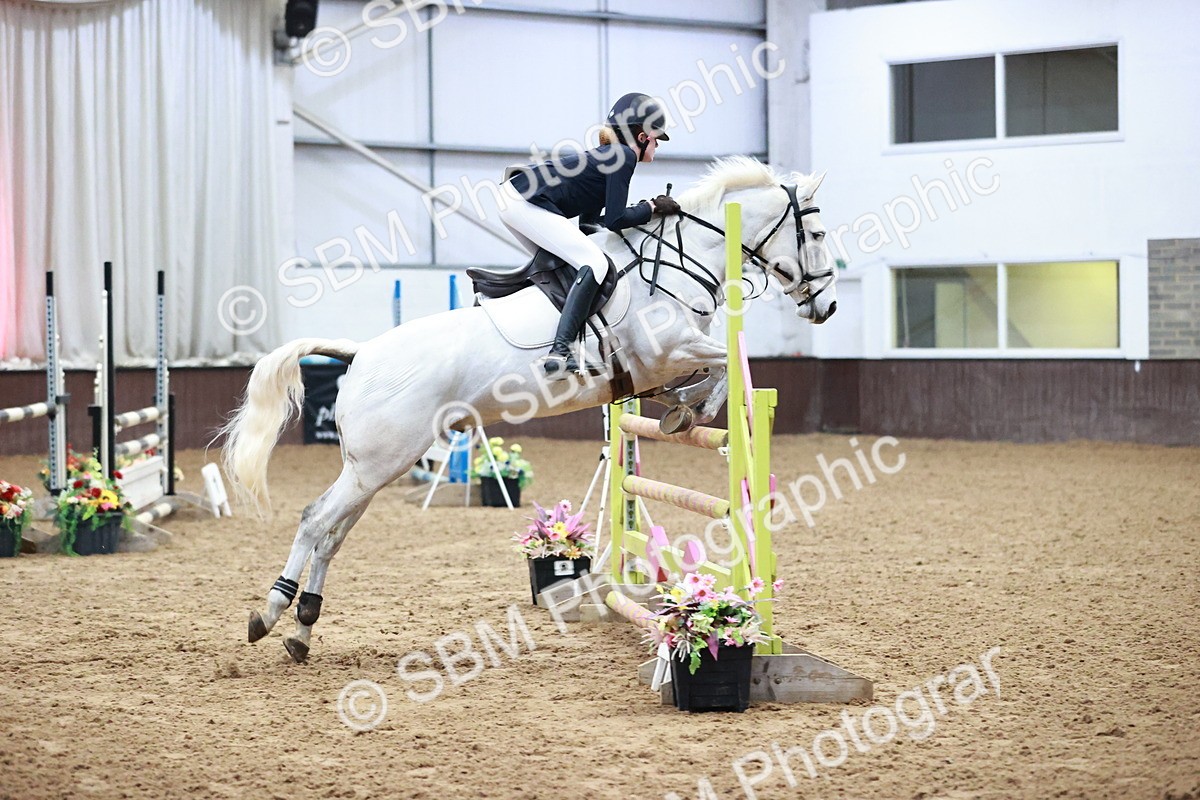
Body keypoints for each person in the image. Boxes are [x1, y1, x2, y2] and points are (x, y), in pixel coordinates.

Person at [500, 92, 682, 380]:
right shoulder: (623, 156)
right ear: (644, 135)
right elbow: (616, 219)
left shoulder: (608, 157)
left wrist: (645, 211)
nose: (658, 145)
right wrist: (651, 207)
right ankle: (559, 353)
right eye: (658, 138)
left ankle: (541, 335)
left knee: (570, 265)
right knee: (594, 264)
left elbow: (591, 224)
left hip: (517, 199)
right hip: (524, 201)